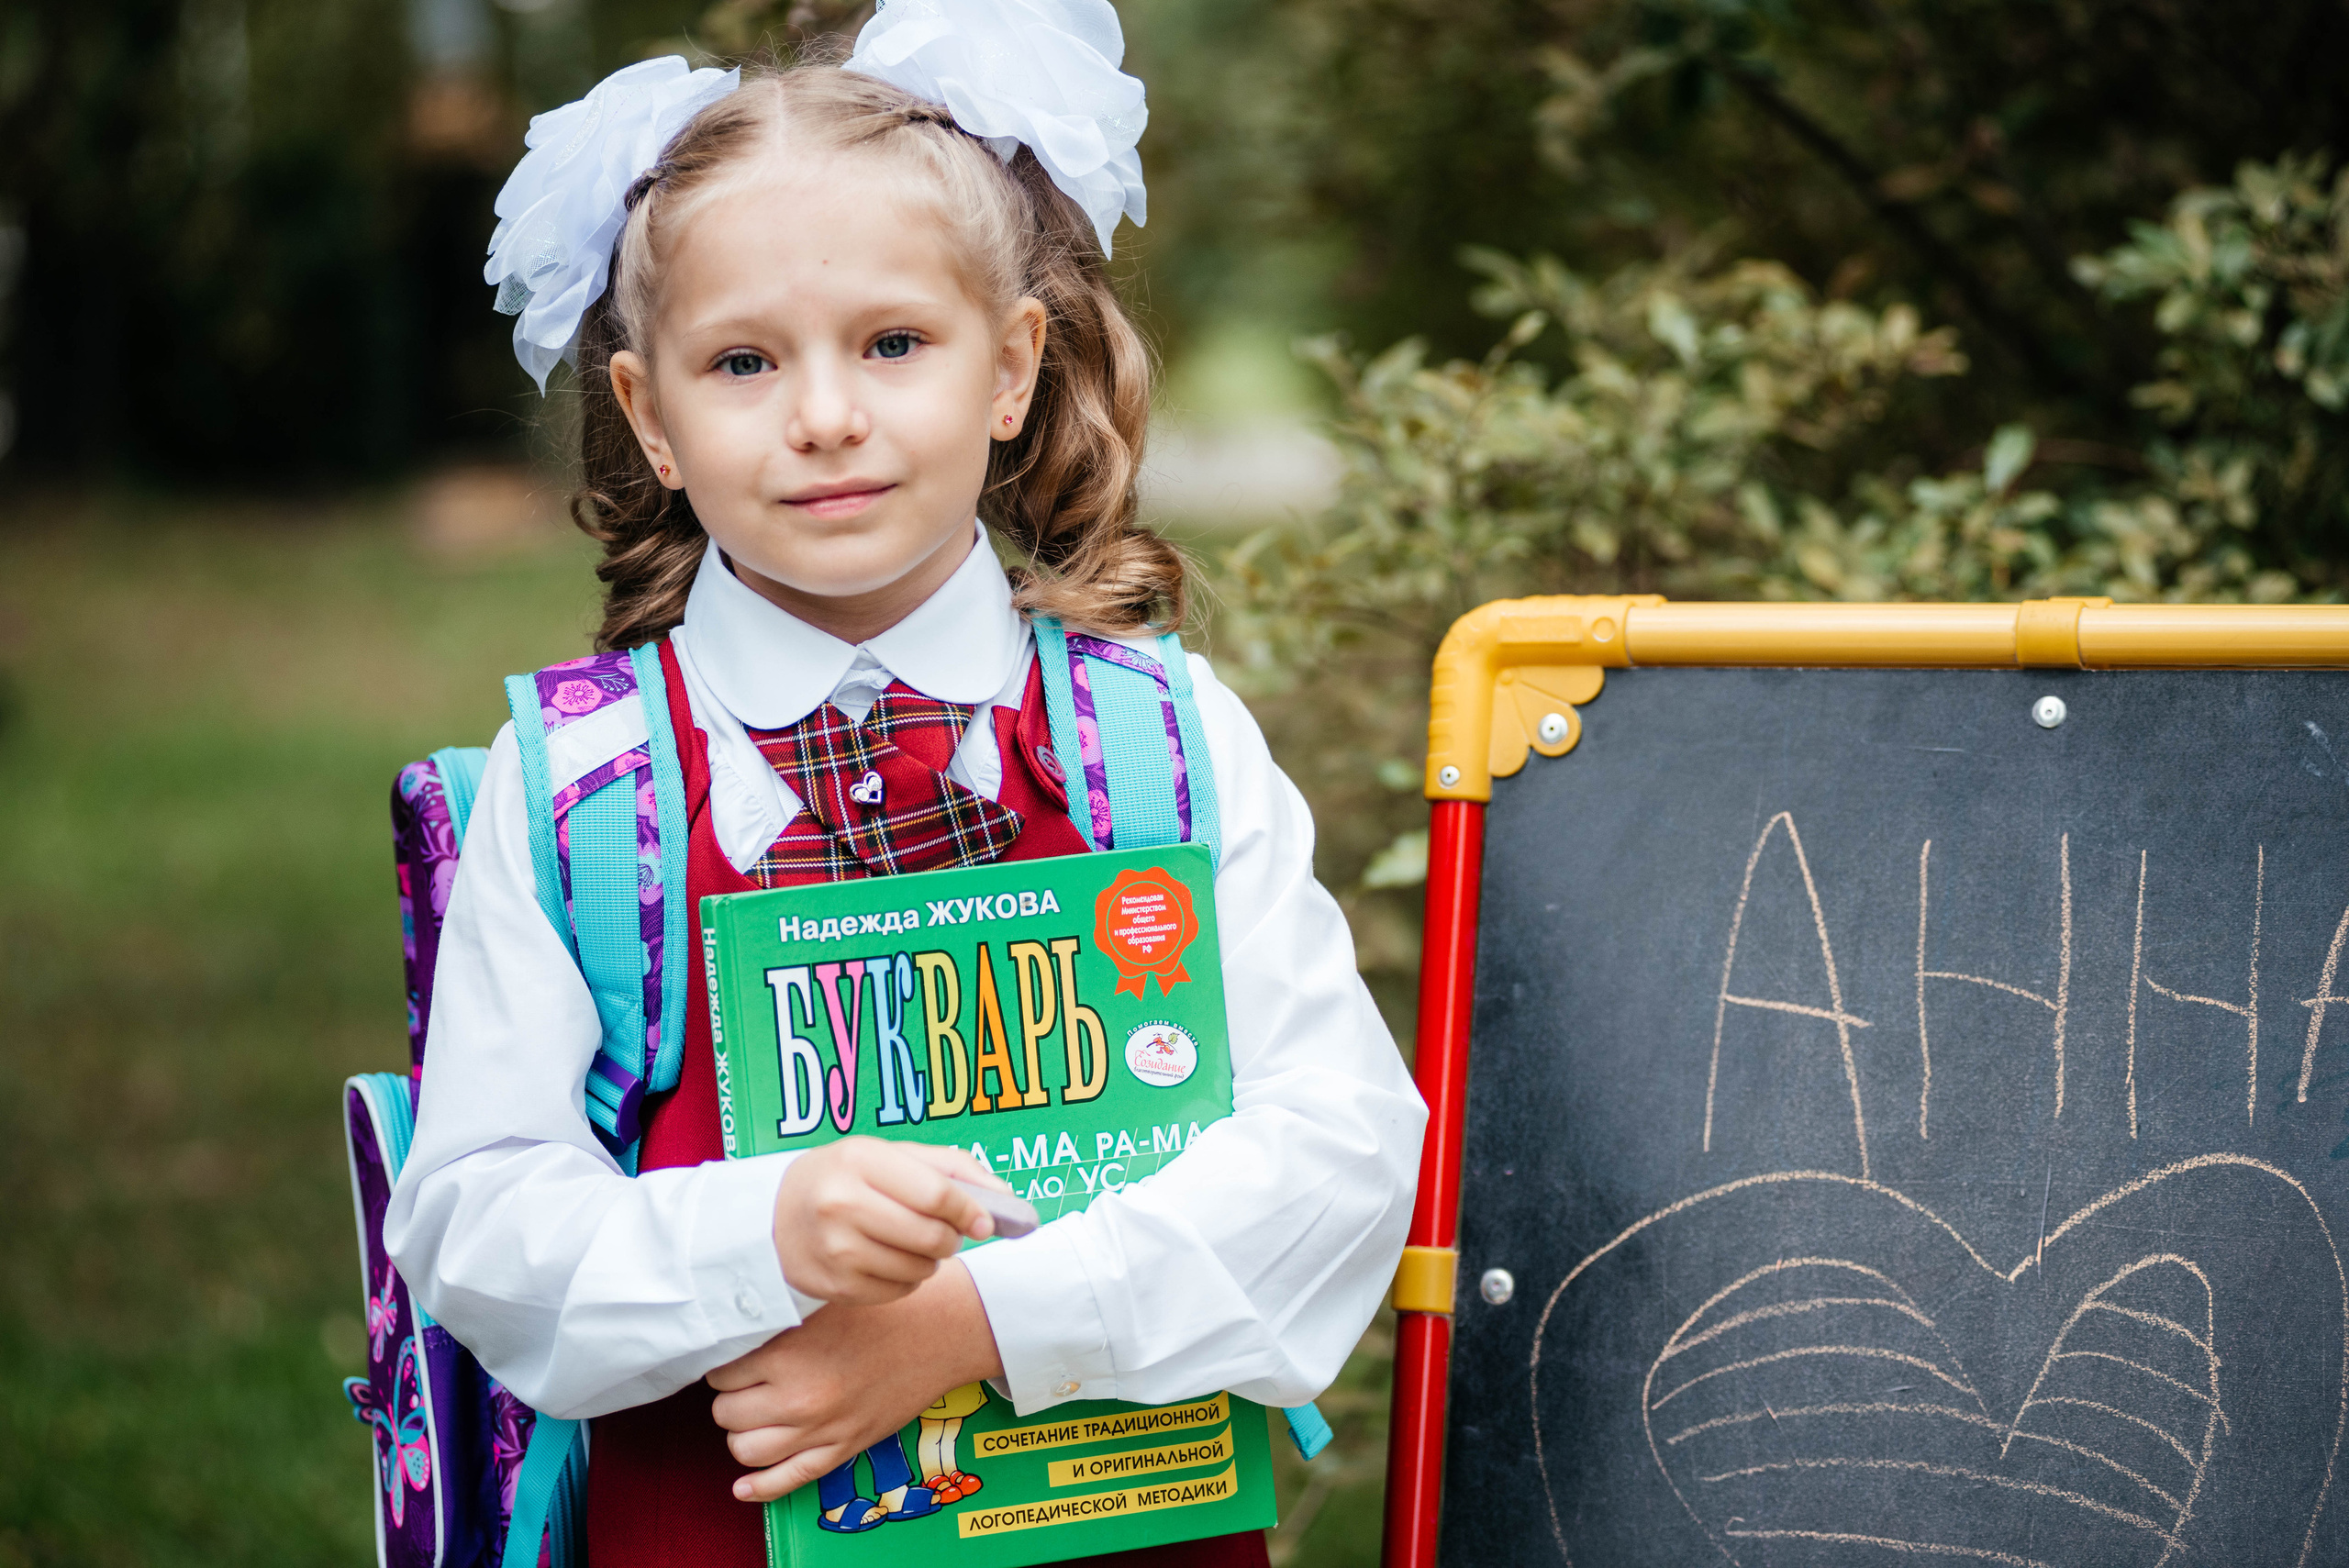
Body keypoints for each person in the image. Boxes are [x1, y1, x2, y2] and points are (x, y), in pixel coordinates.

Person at [383, 6, 1425, 1565]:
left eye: (892, 343)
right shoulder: (591, 793)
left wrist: (978, 1320)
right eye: (743, 361)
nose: (824, 415)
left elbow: (1342, 1148)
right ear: (652, 415)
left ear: (1011, 366)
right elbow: (476, 1224)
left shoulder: (1161, 744)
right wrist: (767, 1232)